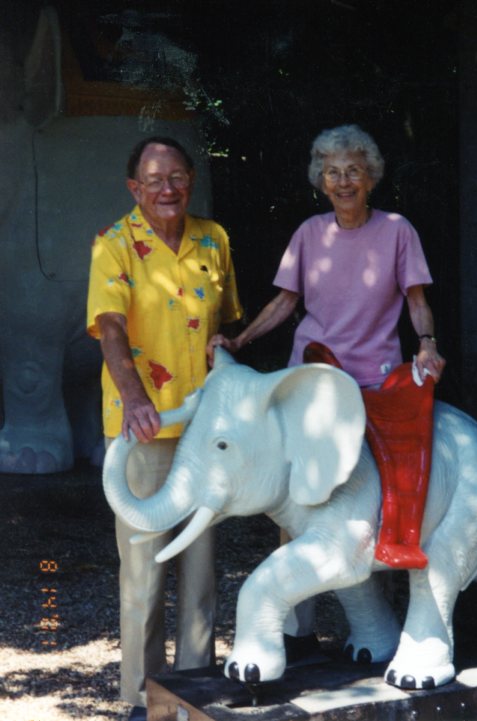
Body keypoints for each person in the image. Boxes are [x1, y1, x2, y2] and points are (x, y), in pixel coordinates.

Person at [207, 123, 445, 648]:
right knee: (294, 495)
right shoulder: (309, 233)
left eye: (353, 171)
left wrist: (425, 342)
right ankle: (296, 623)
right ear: (320, 179)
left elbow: (416, 299)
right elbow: (285, 304)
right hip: (310, 377)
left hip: (370, 377)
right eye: (333, 172)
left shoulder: (397, 230)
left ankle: (388, 567)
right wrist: (240, 341)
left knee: (366, 486)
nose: (343, 181)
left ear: (370, 177)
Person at [87, 136, 243, 721]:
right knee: (144, 571)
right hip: (142, 431)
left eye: (176, 176)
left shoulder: (214, 238)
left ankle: (194, 690)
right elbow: (108, 327)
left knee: (201, 567)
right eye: (154, 180)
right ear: (135, 188)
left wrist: (231, 348)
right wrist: (134, 400)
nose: (167, 188)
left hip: (205, 429)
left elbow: (227, 324)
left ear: (191, 179)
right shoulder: (114, 244)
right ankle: (139, 698)